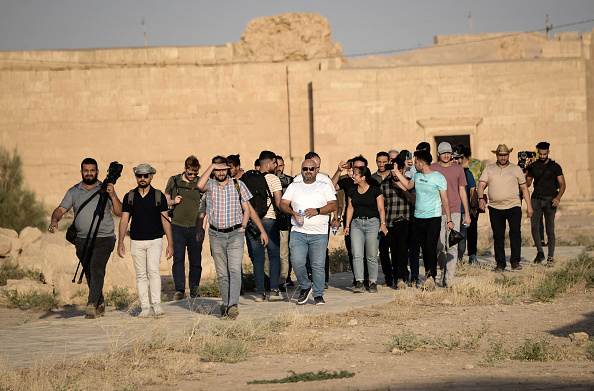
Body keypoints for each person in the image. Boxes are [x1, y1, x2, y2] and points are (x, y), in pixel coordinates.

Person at [49, 158, 123, 319]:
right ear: (82, 172)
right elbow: (61, 209)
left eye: (92, 170)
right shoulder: (74, 191)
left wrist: (113, 195)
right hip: (81, 240)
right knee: (89, 271)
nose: (89, 173)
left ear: (97, 172)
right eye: (86, 170)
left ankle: (91, 304)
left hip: (105, 237)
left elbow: (118, 211)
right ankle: (100, 302)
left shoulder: (105, 188)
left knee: (96, 267)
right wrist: (55, 220)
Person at [196, 156, 268, 319]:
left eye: (224, 169)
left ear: (228, 169)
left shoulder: (238, 184)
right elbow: (199, 185)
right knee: (222, 273)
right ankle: (226, 302)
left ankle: (232, 305)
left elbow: (247, 208)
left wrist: (244, 226)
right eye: (218, 169)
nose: (221, 172)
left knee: (235, 270)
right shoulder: (210, 187)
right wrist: (212, 165)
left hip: (235, 234)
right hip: (216, 234)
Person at [392, 150, 454, 291]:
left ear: (422, 163)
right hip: (418, 218)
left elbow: (445, 199)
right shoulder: (417, 176)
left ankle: (431, 277)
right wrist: (396, 172)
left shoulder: (439, 178)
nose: (414, 164)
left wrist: (449, 219)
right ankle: (428, 274)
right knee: (424, 249)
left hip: (433, 217)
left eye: (415, 162)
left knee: (430, 247)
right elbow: (408, 186)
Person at [117, 164, 173, 317]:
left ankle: (157, 305)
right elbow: (124, 221)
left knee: (153, 270)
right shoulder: (130, 196)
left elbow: (165, 219)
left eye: (145, 176)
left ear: (151, 177)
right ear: (136, 177)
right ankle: (145, 307)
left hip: (155, 239)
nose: (142, 178)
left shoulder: (158, 195)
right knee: (141, 274)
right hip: (136, 241)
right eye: (139, 176)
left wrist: (170, 243)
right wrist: (120, 242)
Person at [280, 159, 337, 305]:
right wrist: (292, 213)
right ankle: (305, 286)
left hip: (319, 233)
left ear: (316, 170)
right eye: (305, 169)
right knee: (297, 261)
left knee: (318, 265)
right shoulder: (294, 186)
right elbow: (283, 204)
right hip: (298, 231)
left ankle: (318, 294)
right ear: (301, 170)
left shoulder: (324, 186)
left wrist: (317, 211)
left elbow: (333, 205)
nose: (308, 171)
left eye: (311, 169)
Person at [477, 144, 533, 271]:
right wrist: (480, 199)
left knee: (515, 233)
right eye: (501, 155)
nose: (503, 157)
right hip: (495, 208)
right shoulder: (489, 169)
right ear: (496, 155)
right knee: (498, 236)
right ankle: (500, 263)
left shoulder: (516, 169)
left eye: (505, 155)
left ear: (509, 155)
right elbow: (481, 186)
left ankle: (515, 261)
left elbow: (524, 188)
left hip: (514, 206)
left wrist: (529, 206)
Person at [243, 150, 283, 302]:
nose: (276, 166)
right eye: (274, 163)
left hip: (252, 222)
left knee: (258, 258)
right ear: (267, 164)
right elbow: (278, 202)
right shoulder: (273, 179)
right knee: (273, 256)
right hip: (269, 221)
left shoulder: (247, 179)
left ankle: (260, 292)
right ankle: (274, 290)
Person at [430, 142, 471, 287]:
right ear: (438, 153)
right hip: (436, 211)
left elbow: (462, 191)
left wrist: (466, 213)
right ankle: (443, 270)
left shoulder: (458, 168)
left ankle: (449, 278)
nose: (447, 155)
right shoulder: (432, 168)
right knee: (439, 246)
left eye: (449, 152)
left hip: (454, 210)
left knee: (453, 245)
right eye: (443, 153)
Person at [164, 155, 203, 300]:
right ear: (185, 169)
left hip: (195, 227)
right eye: (190, 173)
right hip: (177, 226)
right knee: (178, 258)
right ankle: (179, 290)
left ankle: (194, 289)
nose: (193, 176)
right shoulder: (174, 180)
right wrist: (173, 201)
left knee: (195, 260)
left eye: (195, 173)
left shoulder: (200, 182)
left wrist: (202, 228)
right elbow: (164, 199)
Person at [344, 166, 388, 293]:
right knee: (356, 254)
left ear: (363, 177)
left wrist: (383, 224)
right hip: (356, 224)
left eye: (356, 174)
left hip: (372, 223)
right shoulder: (352, 190)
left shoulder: (375, 190)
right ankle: (359, 281)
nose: (353, 176)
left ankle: (373, 281)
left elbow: (381, 208)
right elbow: (350, 208)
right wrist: (347, 226)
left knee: (371, 255)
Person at [331, 155, 370, 287]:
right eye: (355, 167)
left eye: (360, 167)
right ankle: (358, 278)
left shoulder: (371, 181)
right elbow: (331, 187)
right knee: (353, 252)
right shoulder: (347, 181)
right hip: (352, 222)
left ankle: (368, 278)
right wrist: (338, 171)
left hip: (369, 221)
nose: (357, 170)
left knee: (367, 252)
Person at [526, 141, 566, 266]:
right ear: (538, 152)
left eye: (544, 154)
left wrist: (558, 197)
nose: (542, 156)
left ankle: (550, 257)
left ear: (548, 152)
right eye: (540, 154)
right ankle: (540, 252)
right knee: (534, 227)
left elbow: (562, 184)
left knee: (550, 230)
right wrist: (525, 171)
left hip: (550, 201)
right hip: (536, 200)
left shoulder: (555, 166)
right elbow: (527, 184)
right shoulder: (533, 166)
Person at [381, 155, 416, 289]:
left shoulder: (409, 182)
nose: (395, 173)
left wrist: (402, 187)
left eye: (398, 170)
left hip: (405, 220)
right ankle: (397, 276)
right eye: (393, 170)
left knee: (402, 250)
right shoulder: (385, 184)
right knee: (394, 251)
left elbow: (413, 200)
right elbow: (381, 205)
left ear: (402, 170)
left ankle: (401, 278)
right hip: (390, 222)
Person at [456, 145, 484, 264]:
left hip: (472, 201)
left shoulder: (476, 164)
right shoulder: (453, 168)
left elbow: (479, 184)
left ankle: (472, 254)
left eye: (458, 156)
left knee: (472, 230)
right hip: (457, 206)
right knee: (459, 234)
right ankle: (458, 258)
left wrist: (475, 204)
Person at [451, 145, 477, 264]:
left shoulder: (467, 173)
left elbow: (473, 190)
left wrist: (472, 208)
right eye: (453, 158)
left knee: (462, 237)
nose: (455, 161)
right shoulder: (443, 173)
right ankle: (450, 261)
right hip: (448, 210)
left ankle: (459, 261)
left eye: (457, 158)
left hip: (462, 212)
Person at [371, 151, 393, 287]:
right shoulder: (372, 179)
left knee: (396, 249)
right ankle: (388, 277)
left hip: (394, 216)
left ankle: (400, 274)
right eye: (379, 161)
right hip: (378, 219)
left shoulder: (394, 176)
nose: (382, 164)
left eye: (384, 162)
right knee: (383, 250)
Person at [275, 155, 293, 289]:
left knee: (285, 252)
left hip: (284, 221)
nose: (278, 169)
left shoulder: (289, 181)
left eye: (280, 166)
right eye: (276, 166)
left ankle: (284, 279)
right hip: (270, 220)